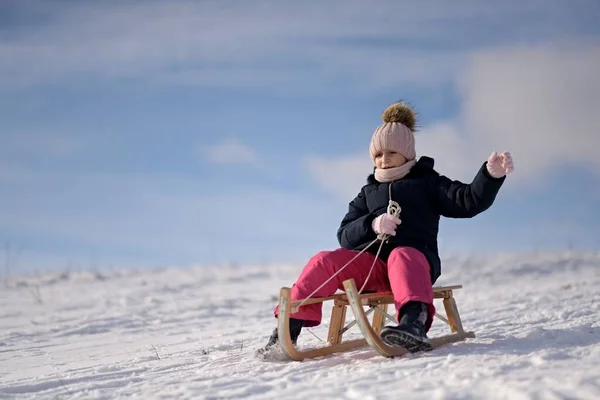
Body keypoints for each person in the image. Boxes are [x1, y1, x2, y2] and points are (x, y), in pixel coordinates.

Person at [256, 101, 514, 356]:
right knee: (324, 260)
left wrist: (489, 177)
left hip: (414, 266)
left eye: (391, 153)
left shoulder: (428, 183)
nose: (383, 159)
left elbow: (467, 201)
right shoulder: (368, 193)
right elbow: (344, 235)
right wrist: (372, 223)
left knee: (403, 254)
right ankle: (287, 330)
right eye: (378, 154)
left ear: (407, 153)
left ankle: (413, 325)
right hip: (373, 270)